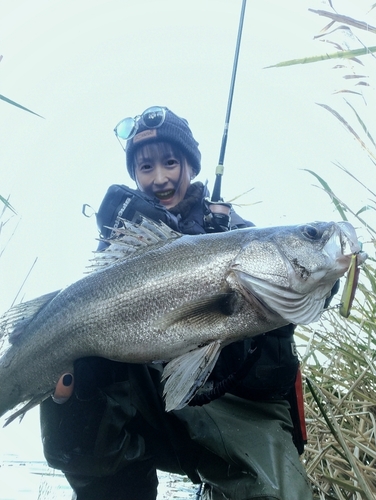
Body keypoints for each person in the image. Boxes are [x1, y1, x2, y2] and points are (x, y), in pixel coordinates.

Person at [40, 106, 314, 500]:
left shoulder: (241, 236)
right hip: (148, 401)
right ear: (134, 175)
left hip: (229, 404)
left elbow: (290, 280)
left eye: (171, 162)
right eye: (145, 167)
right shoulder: (121, 234)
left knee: (277, 493)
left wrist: (314, 283)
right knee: (76, 403)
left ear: (191, 165)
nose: (160, 178)